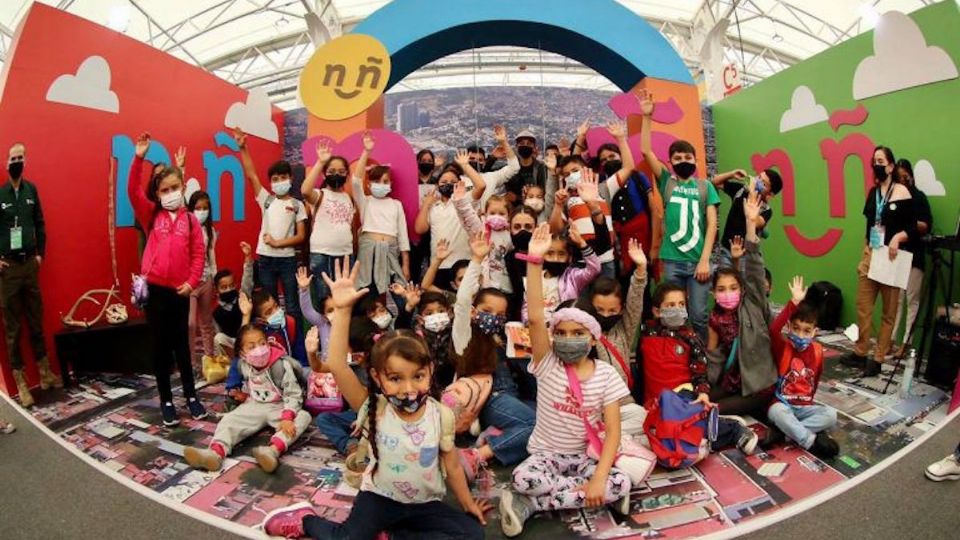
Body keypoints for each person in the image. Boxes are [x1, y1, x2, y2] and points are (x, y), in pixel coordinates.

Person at [262, 260, 489, 539]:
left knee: (474, 534)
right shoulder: (376, 407)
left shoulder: (440, 414)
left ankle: (390, 536)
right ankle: (305, 520)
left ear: (430, 371)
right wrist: (343, 309)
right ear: (378, 377)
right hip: (379, 501)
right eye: (395, 378)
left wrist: (467, 504)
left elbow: (452, 465)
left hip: (424, 505)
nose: (409, 389)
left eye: (418, 376)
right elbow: (336, 363)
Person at [499, 223, 631, 538]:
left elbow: (612, 433)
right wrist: (534, 260)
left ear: (593, 338)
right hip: (545, 456)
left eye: (577, 333)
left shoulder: (606, 375)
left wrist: (599, 477)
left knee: (619, 481)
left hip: (586, 457)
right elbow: (533, 317)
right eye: (560, 333)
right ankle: (576, 497)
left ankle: (532, 505)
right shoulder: (547, 363)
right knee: (522, 478)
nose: (567, 339)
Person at [129, 133, 206, 426]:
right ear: (158, 193)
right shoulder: (151, 214)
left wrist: (191, 281)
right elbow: (133, 191)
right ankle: (166, 400)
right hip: (155, 293)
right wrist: (138, 158)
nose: (170, 193)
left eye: (175, 187)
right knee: (159, 347)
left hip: (179, 292)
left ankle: (191, 396)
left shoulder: (190, 221)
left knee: (182, 346)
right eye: (164, 189)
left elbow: (198, 254)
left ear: (183, 188)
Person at [636, 282, 759, 455]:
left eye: (681, 305)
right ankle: (714, 422)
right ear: (657, 311)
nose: (677, 309)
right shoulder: (646, 332)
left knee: (686, 423)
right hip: (654, 402)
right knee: (665, 431)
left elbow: (700, 371)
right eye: (670, 305)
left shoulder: (690, 338)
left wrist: (702, 392)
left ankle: (734, 430)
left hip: (683, 396)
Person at [452, 232, 536, 480]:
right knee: (534, 426)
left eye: (499, 314)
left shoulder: (502, 337)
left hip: (513, 395)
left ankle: (497, 434)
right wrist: (477, 259)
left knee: (554, 420)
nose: (493, 318)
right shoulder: (463, 335)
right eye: (487, 311)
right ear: (474, 310)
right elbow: (462, 300)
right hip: (489, 398)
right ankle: (478, 454)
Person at [640, 90, 722, 341]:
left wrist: (706, 260)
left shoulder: (704, 186)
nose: (683, 160)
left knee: (698, 315)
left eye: (688, 157)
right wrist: (647, 117)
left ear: (696, 161)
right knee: (670, 314)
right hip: (672, 261)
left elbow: (712, 224)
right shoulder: (667, 181)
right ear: (670, 162)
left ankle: (700, 360)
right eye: (678, 157)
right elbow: (646, 151)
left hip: (699, 261)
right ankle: (673, 354)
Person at [184, 324, 312, 473]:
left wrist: (288, 417)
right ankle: (215, 453)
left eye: (262, 343)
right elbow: (254, 383)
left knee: (303, 417)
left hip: (280, 406)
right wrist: (244, 395)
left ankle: (272, 450)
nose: (259, 349)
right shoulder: (243, 364)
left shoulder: (280, 365)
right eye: (251, 347)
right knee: (229, 420)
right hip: (255, 405)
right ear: (242, 353)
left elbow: (293, 394)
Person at [841, 146, 915, 377]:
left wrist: (898, 237)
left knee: (888, 312)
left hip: (892, 257)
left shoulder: (903, 192)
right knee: (863, 306)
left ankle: (879, 357)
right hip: (872, 254)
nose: (877, 164)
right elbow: (869, 226)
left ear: (891, 166)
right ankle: (861, 351)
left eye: (881, 161)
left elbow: (914, 226)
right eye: (874, 161)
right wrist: (864, 252)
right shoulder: (872, 193)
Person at [705, 193, 778, 417]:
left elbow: (754, 267)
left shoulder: (752, 303)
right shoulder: (715, 318)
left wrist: (750, 224)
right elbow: (714, 359)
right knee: (700, 402)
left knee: (714, 412)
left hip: (758, 386)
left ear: (742, 289)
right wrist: (702, 388)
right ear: (713, 293)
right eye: (721, 289)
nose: (728, 294)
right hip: (732, 382)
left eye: (733, 288)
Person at [0, 142, 60, 407]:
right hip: (8, 270)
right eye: (13, 157)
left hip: (29, 265)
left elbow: (40, 223)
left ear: (25, 161)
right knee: (13, 328)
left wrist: (40, 255)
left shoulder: (31, 190)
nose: (17, 161)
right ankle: (22, 383)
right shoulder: (0, 194)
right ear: (6, 162)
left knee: (36, 320)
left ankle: (45, 373)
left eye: (21, 157)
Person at [577, 238, 649, 434]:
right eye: (600, 310)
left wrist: (640, 269)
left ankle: (605, 437)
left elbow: (635, 302)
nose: (606, 315)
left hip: (623, 404)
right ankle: (609, 438)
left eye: (612, 311)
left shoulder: (623, 329)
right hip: (593, 408)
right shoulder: (583, 333)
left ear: (620, 310)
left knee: (643, 419)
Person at [234, 127, 307, 321]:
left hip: (287, 260)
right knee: (269, 304)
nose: (279, 181)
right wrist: (243, 148)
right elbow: (251, 175)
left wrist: (277, 243)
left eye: (283, 178)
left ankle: (297, 344)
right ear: (271, 182)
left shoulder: (298, 204)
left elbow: (301, 236)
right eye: (275, 179)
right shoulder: (266, 199)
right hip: (265, 259)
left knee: (292, 304)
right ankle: (273, 343)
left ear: (290, 179)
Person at [766, 276, 839, 458]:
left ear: (815, 331)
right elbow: (774, 329)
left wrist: (807, 404)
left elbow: (815, 381)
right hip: (783, 405)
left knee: (831, 415)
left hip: (805, 408)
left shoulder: (817, 351)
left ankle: (786, 433)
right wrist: (794, 302)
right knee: (776, 412)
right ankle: (809, 441)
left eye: (807, 331)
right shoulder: (784, 347)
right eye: (796, 328)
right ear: (789, 327)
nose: (800, 334)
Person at [352, 132, 410, 294]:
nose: (381, 184)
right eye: (376, 181)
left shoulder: (396, 205)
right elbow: (356, 182)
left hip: (391, 250)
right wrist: (366, 151)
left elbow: (403, 236)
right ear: (369, 184)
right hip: (368, 248)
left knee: (398, 291)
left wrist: (405, 264)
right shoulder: (366, 201)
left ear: (390, 184)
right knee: (366, 290)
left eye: (385, 181)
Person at [300, 139, 355, 301]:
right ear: (324, 174)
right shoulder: (319, 194)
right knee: (323, 300)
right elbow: (304, 191)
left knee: (344, 299)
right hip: (321, 255)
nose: (336, 174)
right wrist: (320, 162)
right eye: (331, 171)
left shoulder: (349, 198)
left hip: (346, 255)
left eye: (341, 171)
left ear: (347, 174)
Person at [891, 159, 932, 359]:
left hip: (915, 256)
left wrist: (908, 224)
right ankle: (890, 340)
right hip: (898, 255)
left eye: (904, 176)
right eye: (898, 178)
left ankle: (906, 343)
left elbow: (926, 225)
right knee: (896, 300)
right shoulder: (895, 197)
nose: (902, 180)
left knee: (911, 301)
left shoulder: (919, 197)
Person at [414, 163, 474, 287]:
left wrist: (465, 164)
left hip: (464, 264)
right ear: (437, 185)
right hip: (439, 264)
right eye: (444, 181)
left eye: (453, 181)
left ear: (459, 184)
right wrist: (426, 205)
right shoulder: (433, 207)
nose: (448, 184)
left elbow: (481, 187)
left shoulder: (465, 202)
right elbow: (420, 229)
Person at [711, 168, 783, 270]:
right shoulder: (740, 190)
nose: (757, 181)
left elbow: (753, 219)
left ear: (770, 194)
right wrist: (732, 174)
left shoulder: (766, 210)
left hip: (746, 257)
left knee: (743, 284)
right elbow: (715, 182)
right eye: (758, 177)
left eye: (763, 183)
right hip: (726, 251)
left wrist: (752, 194)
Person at [187, 190, 217, 367]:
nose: (202, 211)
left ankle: (210, 358)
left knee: (206, 323)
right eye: (198, 208)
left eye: (205, 208)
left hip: (206, 280)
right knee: (190, 324)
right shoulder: (186, 228)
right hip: (189, 283)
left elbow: (211, 255)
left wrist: (213, 276)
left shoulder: (210, 230)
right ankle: (189, 363)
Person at [212, 242, 254, 358]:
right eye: (224, 288)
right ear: (217, 290)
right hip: (232, 344)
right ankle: (232, 367)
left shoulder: (242, 297)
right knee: (218, 338)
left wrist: (248, 256)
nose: (229, 289)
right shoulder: (216, 314)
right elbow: (218, 336)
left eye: (231, 286)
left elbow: (247, 279)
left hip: (250, 339)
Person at [502, 129, 549, 206]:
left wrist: (517, 198)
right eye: (522, 143)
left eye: (529, 144)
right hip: (514, 209)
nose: (525, 146)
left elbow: (544, 192)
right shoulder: (510, 168)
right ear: (517, 147)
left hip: (536, 208)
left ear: (534, 147)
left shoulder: (541, 168)